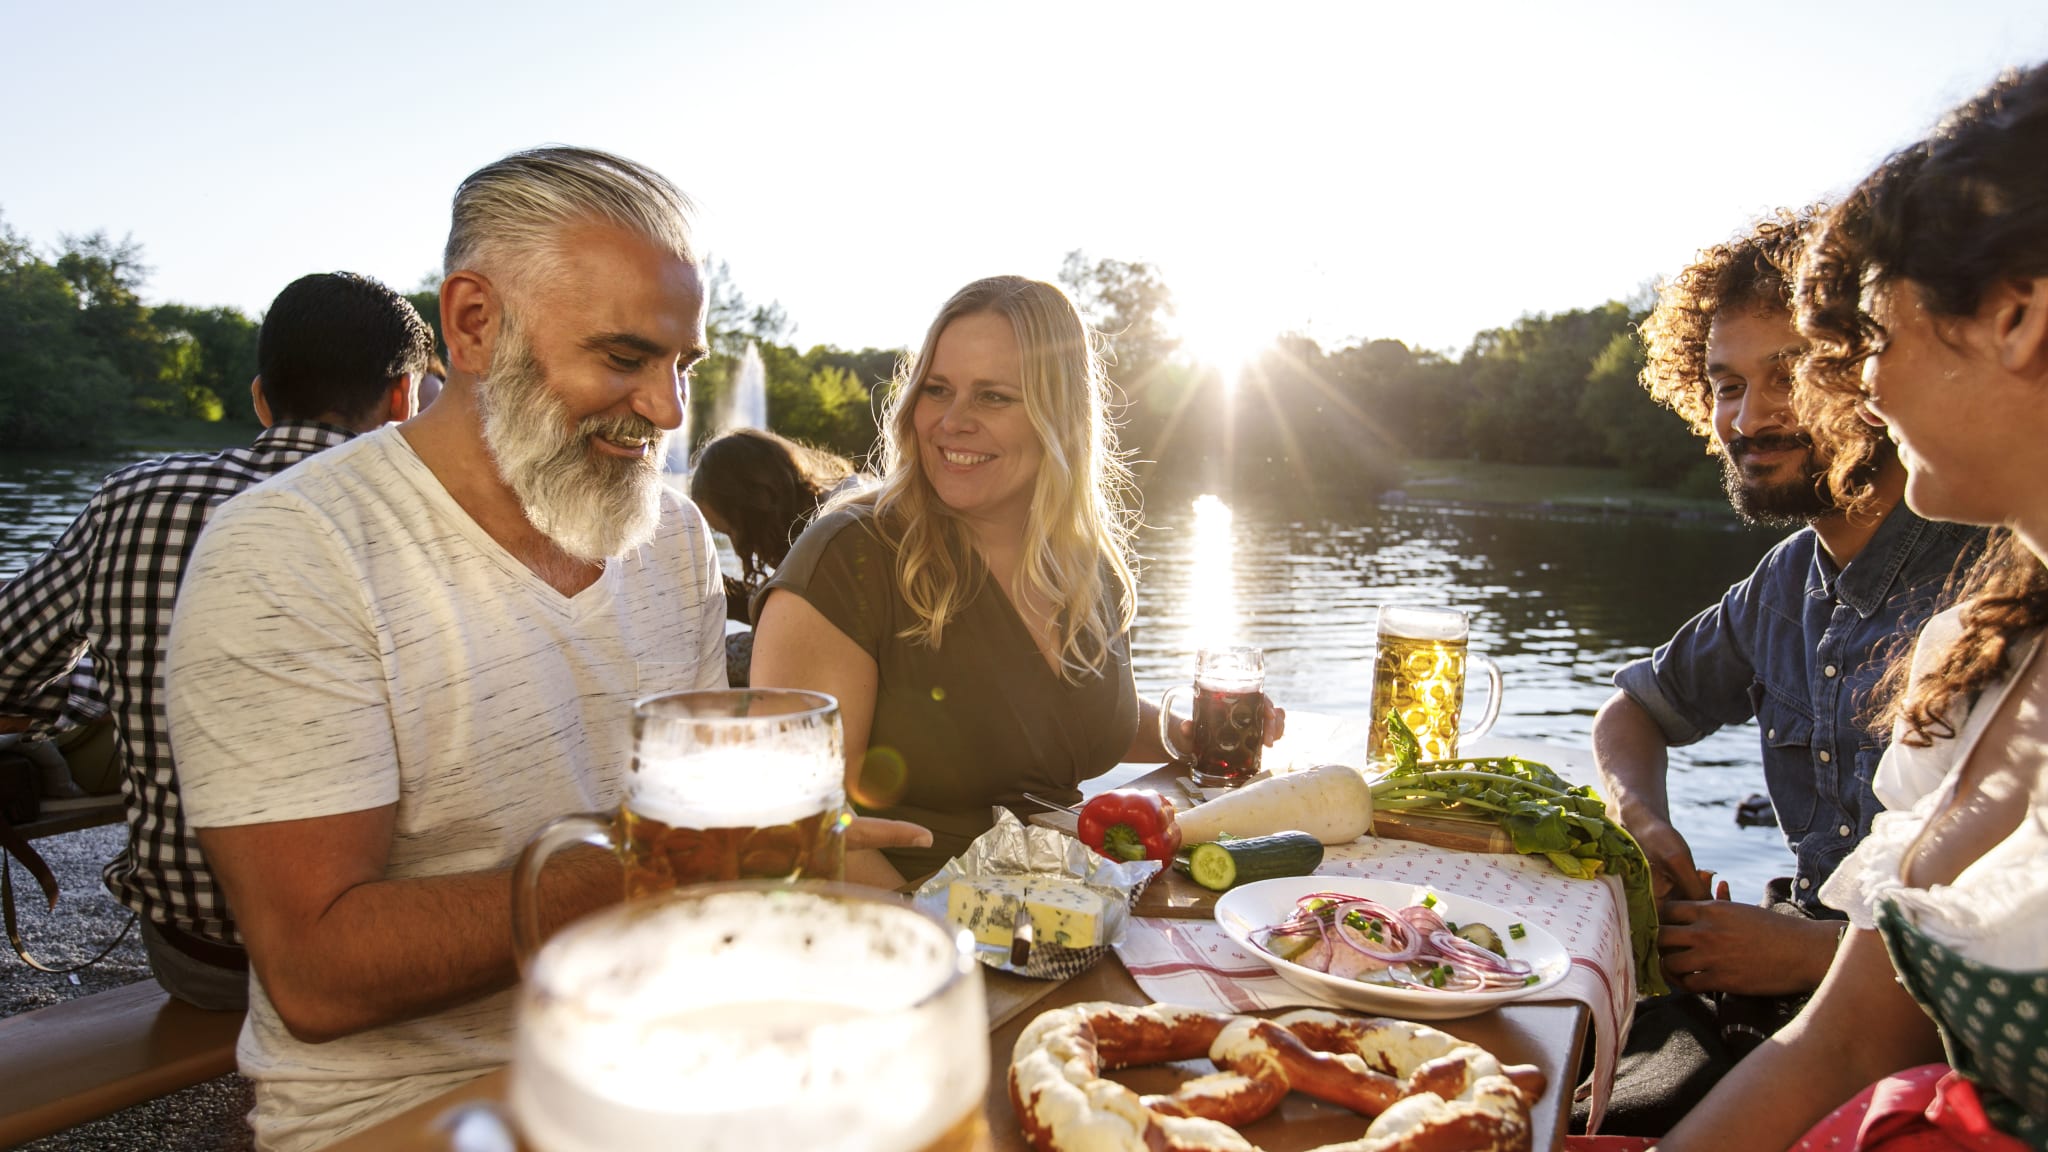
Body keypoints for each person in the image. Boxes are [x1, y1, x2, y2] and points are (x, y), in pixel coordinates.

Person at [164, 147, 926, 1151]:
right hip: (406, 1111)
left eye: (684, 367)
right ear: (474, 323)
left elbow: (699, 835)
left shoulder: (671, 535)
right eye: (624, 358)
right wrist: (678, 861)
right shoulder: (288, 550)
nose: (667, 411)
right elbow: (317, 975)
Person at [1662, 60, 2048, 1151]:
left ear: (2016, 316)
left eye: (1869, 336)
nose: (1858, 387)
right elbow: (1841, 1043)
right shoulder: (1983, 652)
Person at [1584, 213, 1983, 1132]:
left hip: (1919, 1054)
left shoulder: (1993, 589)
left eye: (1791, 374)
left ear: (1869, 375)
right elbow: (1631, 712)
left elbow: (2005, 930)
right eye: (1726, 385)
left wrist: (1807, 955)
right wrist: (1641, 821)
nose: (1749, 417)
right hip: (1774, 1003)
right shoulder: (1782, 584)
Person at [750, 275, 1280, 887]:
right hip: (906, 918)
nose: (952, 422)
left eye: (993, 397)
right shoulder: (850, 559)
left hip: (1071, 905)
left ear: (1061, 418)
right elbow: (792, 826)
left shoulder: (1085, 563)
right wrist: (936, 930)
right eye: (937, 389)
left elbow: (1056, 713)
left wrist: (1188, 733)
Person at [0, 271, 429, 1008]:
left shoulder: (135, 498)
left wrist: (96, 683)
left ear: (261, 398)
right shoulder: (441, 520)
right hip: (408, 949)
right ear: (403, 400)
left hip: (204, 959)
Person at [688, 427, 863, 684]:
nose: (738, 547)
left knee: (712, 661)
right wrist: (717, 591)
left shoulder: (835, 536)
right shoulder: (833, 510)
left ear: (755, 510)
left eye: (732, 531)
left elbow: (799, 632)